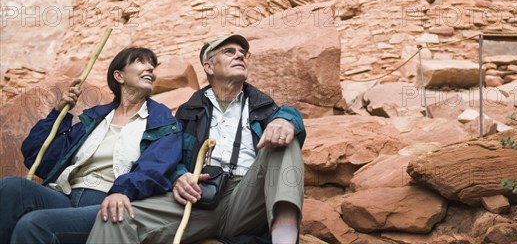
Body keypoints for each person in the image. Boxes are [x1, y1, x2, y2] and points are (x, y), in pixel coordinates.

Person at [87, 34, 306, 244]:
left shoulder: (263, 106)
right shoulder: (187, 112)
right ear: (209, 67)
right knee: (116, 218)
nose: (239, 55)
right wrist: (178, 177)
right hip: (200, 197)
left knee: (285, 140)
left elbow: (288, 115)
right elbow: (170, 156)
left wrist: (286, 120)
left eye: (243, 53)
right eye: (229, 51)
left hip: (248, 196)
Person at [0, 47, 183, 244]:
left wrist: (123, 190)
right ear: (119, 76)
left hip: (106, 202)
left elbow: (155, 167)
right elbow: (37, 156)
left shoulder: (161, 120)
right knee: (11, 187)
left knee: (33, 225)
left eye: (152, 66)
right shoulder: (95, 117)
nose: (150, 69)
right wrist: (57, 114)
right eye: (141, 62)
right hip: (65, 194)